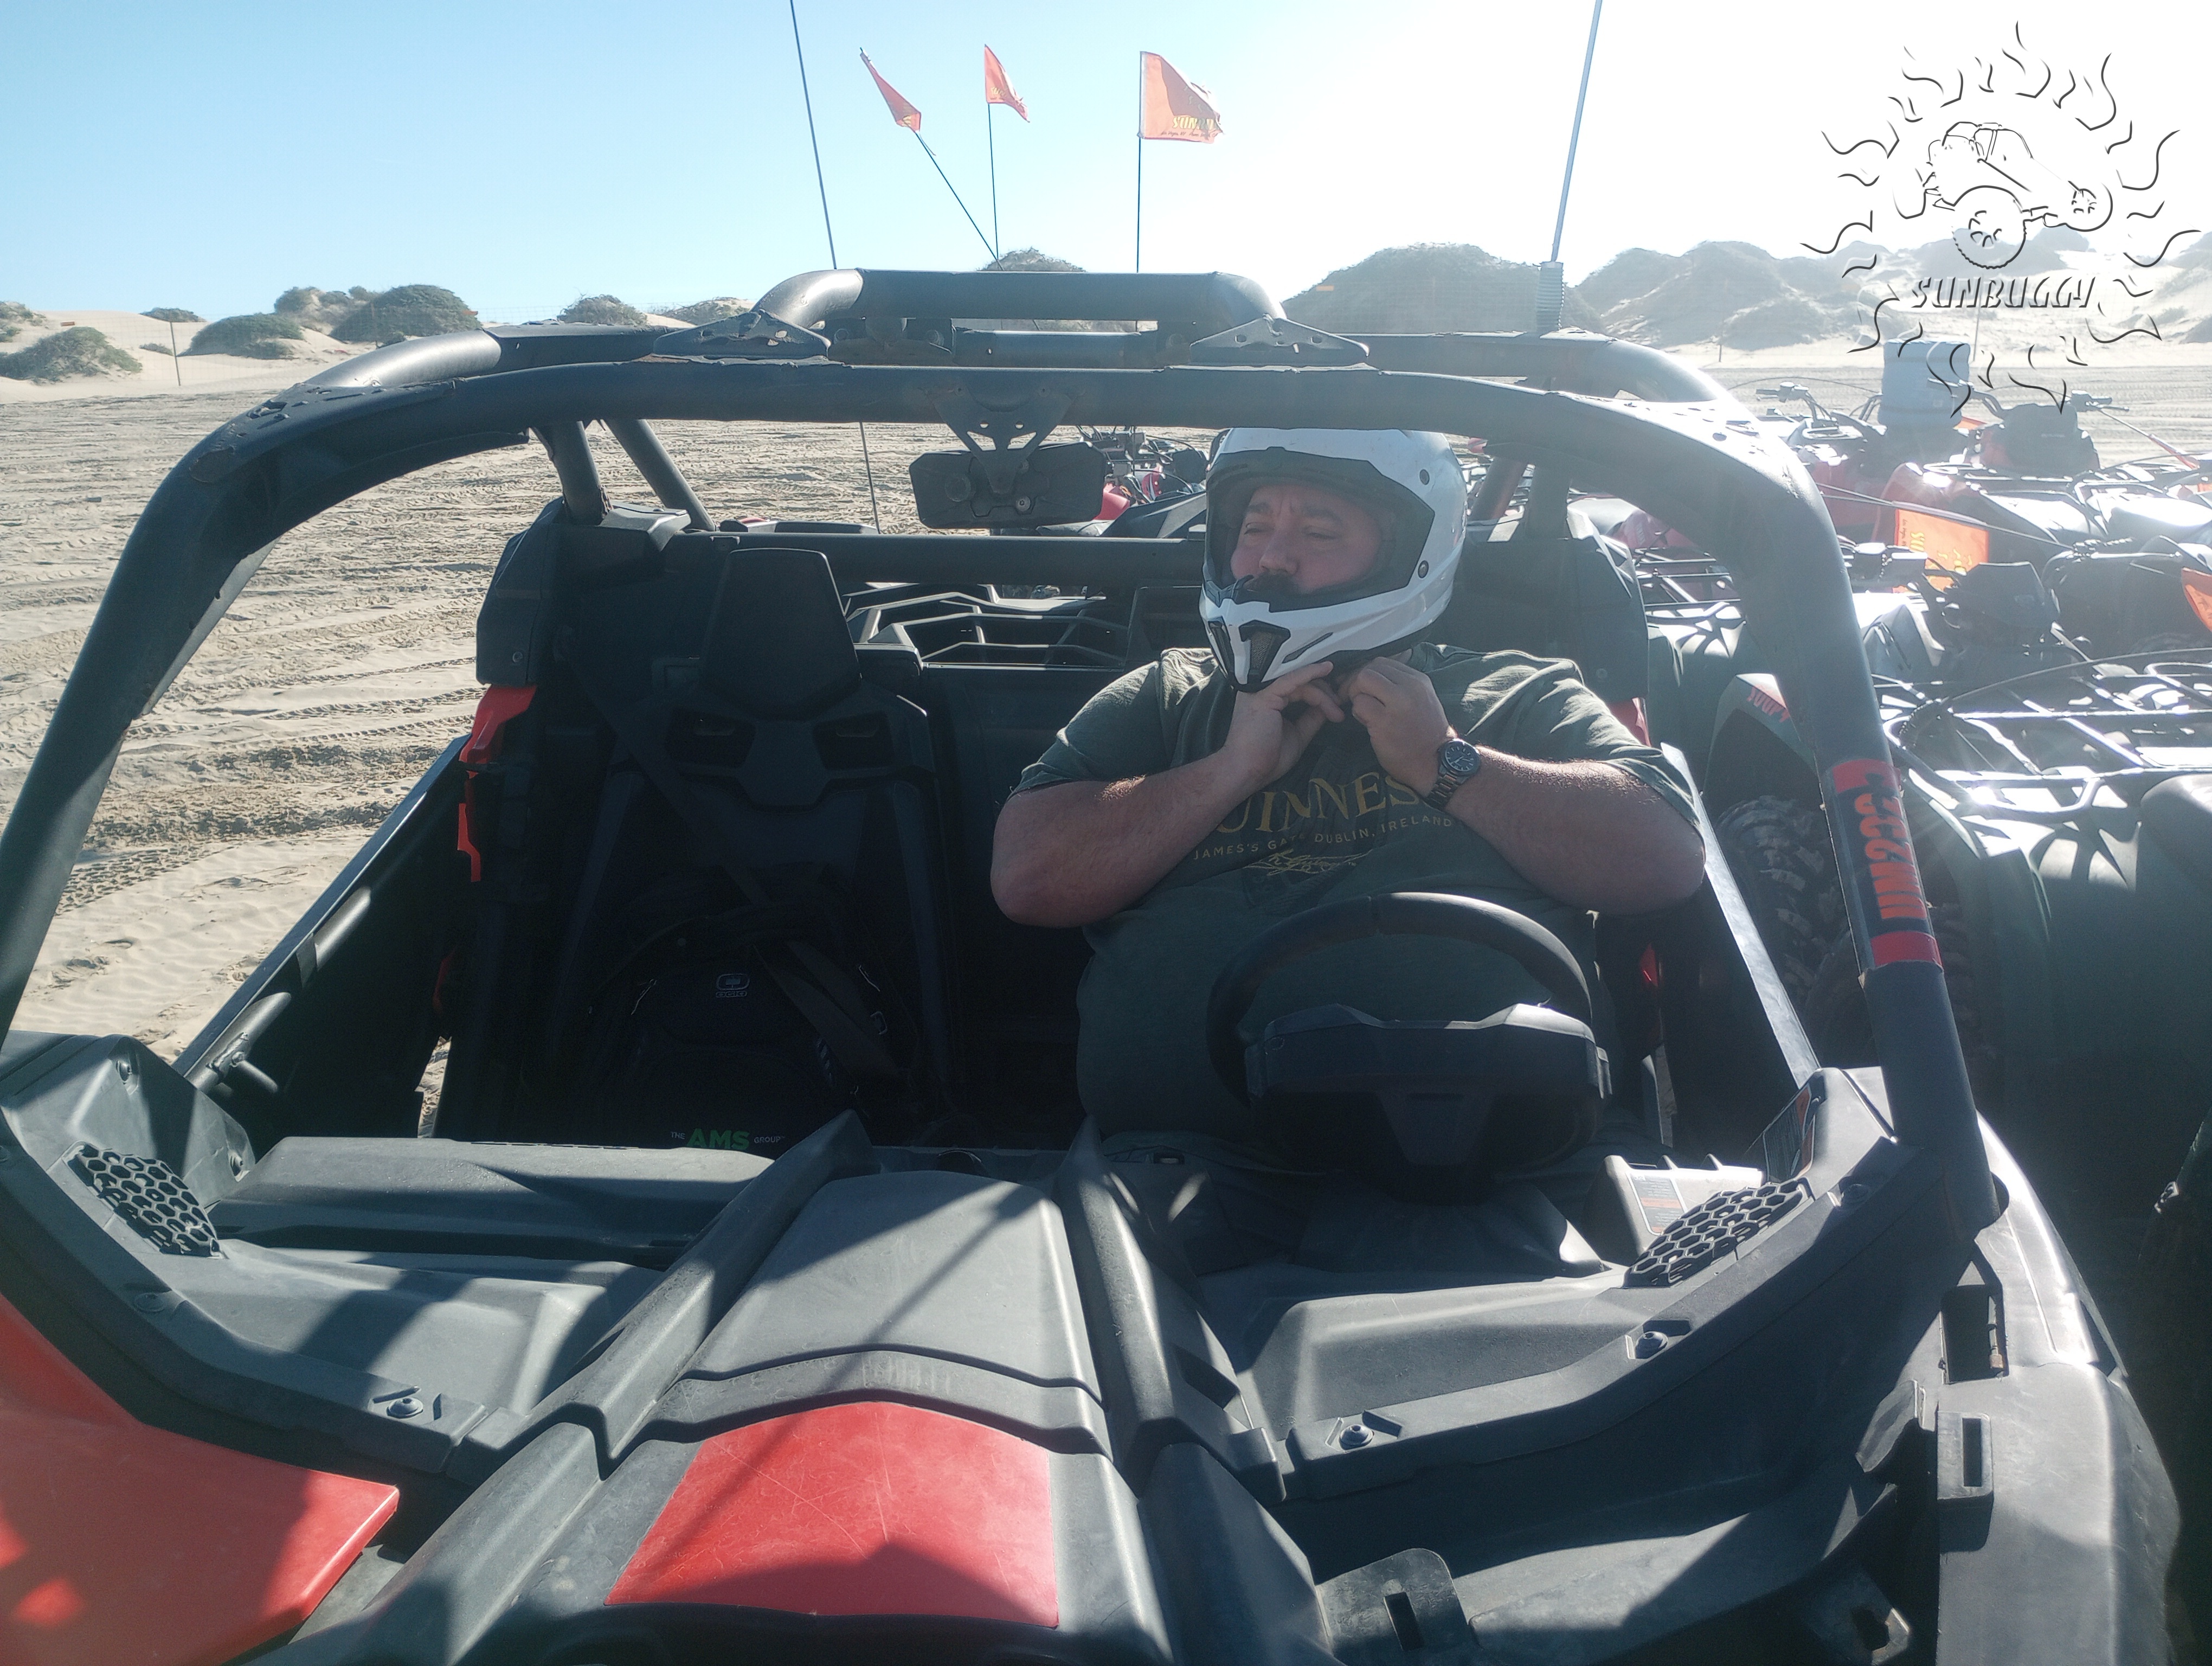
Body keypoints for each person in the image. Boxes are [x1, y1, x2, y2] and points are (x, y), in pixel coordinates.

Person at [991, 428, 1706, 1137]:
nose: (1271, 556)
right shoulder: (1170, 695)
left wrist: (1446, 763)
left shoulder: (1518, 693)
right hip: (1176, 1166)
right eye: (1254, 526)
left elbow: (1665, 859)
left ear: (1406, 552)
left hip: (1510, 1163)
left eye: (1319, 532)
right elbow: (1026, 879)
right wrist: (1227, 772)